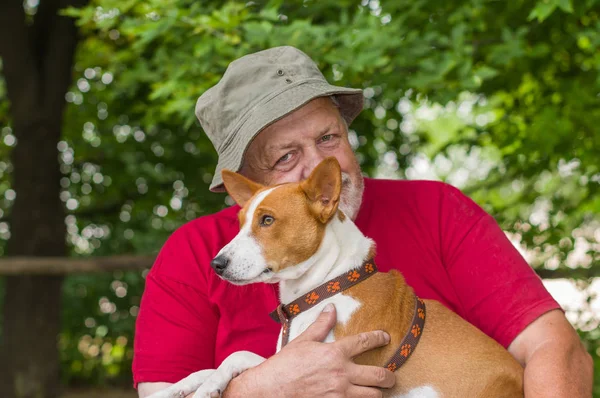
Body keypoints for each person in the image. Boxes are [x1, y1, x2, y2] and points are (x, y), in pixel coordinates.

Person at [134, 46, 593, 397]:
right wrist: (260, 387)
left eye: (328, 137)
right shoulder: (197, 254)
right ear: (248, 183)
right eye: (286, 156)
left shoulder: (436, 210)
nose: (318, 166)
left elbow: (555, 348)